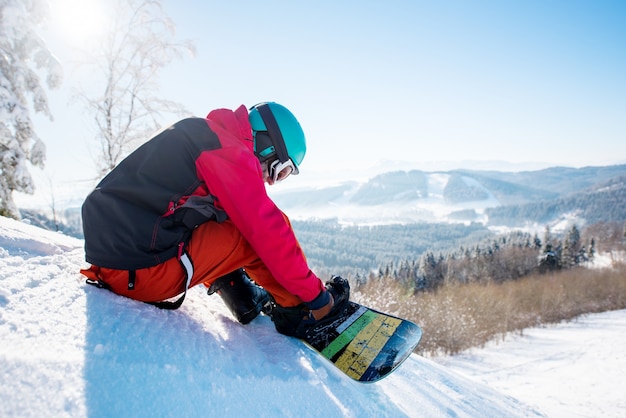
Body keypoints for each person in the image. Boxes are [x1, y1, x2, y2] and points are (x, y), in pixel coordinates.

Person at [80, 102, 349, 338]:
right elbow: (268, 231)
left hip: (119, 264)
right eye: (280, 170)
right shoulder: (228, 150)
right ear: (267, 145)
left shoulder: (205, 135)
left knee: (225, 217)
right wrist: (317, 296)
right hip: (141, 272)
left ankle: (240, 295)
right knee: (259, 229)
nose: (271, 181)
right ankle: (299, 312)